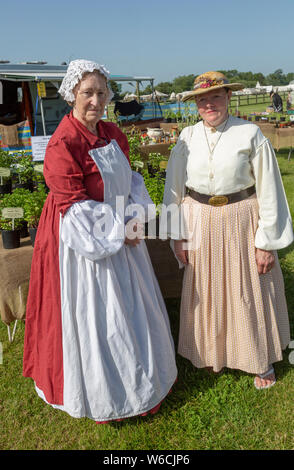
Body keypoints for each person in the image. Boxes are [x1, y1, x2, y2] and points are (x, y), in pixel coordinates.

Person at [23, 59, 177, 423]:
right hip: (84, 245)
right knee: (98, 317)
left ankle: (144, 384)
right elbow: (74, 206)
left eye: (101, 92)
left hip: (124, 236)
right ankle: (106, 396)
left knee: (132, 311)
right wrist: (119, 231)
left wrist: (136, 218)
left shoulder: (113, 133)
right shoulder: (63, 143)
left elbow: (132, 181)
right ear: (72, 95)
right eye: (87, 93)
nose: (96, 100)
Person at [160, 71, 293, 390]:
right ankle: (213, 353)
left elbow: (270, 189)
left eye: (216, 96)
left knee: (248, 289)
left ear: (228, 97)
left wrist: (266, 242)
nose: (209, 103)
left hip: (242, 220)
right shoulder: (187, 137)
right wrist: (177, 234)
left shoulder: (250, 134)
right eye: (202, 99)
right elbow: (174, 189)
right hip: (200, 221)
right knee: (208, 290)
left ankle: (259, 358)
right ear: (195, 104)